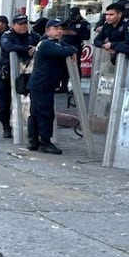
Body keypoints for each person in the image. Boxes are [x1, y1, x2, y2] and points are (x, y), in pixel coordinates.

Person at [26, 19, 77, 155]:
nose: (59, 31)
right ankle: (44, 142)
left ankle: (34, 141)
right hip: (42, 84)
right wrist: (71, 50)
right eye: (56, 28)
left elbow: (71, 47)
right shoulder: (46, 44)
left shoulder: (53, 42)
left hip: (44, 84)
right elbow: (65, 51)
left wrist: (72, 49)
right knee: (45, 113)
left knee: (37, 113)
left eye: (61, 28)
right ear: (47, 30)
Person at [0, 15, 39, 138]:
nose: (23, 26)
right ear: (13, 25)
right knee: (4, 103)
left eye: (25, 23)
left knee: (27, 102)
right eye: (20, 24)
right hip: (6, 73)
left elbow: (40, 45)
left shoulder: (33, 36)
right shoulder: (7, 35)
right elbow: (8, 47)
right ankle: (6, 126)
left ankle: (29, 128)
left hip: (25, 73)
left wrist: (34, 49)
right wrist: (26, 49)